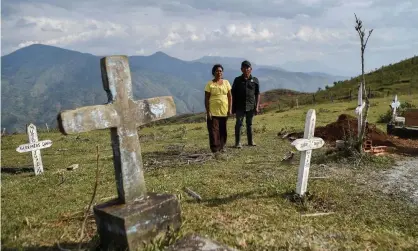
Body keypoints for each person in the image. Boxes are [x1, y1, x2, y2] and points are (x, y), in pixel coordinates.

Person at [231, 60, 260, 148]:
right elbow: (233, 94)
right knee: (239, 124)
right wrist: (232, 106)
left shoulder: (255, 80)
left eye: (248, 68)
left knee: (249, 124)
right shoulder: (237, 80)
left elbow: (257, 94)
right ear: (241, 69)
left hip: (251, 106)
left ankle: (250, 141)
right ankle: (237, 143)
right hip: (239, 106)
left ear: (251, 69)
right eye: (244, 68)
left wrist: (257, 106)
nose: (246, 69)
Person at [204, 64, 232, 153]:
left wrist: (230, 109)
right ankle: (215, 149)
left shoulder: (226, 82)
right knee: (213, 131)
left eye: (220, 71)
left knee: (223, 130)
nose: (219, 72)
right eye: (217, 71)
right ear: (213, 72)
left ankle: (222, 147)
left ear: (222, 72)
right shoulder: (209, 84)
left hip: (224, 111)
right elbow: (206, 98)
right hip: (213, 112)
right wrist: (208, 111)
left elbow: (230, 96)